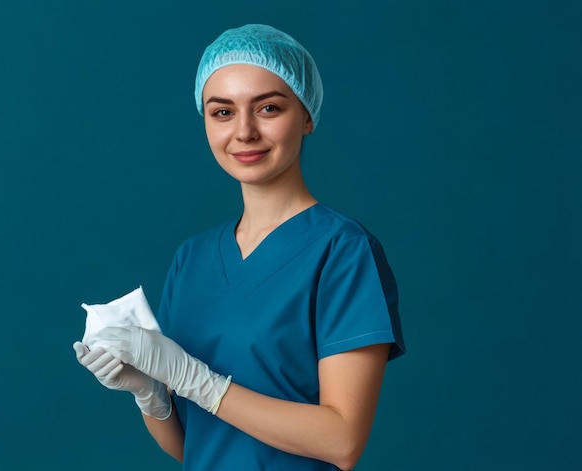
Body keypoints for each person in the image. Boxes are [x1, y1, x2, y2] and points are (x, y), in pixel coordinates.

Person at [73, 23, 405, 470]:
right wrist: (150, 395)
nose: (244, 131)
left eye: (268, 107)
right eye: (222, 112)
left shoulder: (343, 252)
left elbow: (342, 440)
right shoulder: (192, 259)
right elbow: (194, 448)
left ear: (306, 116)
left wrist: (198, 381)